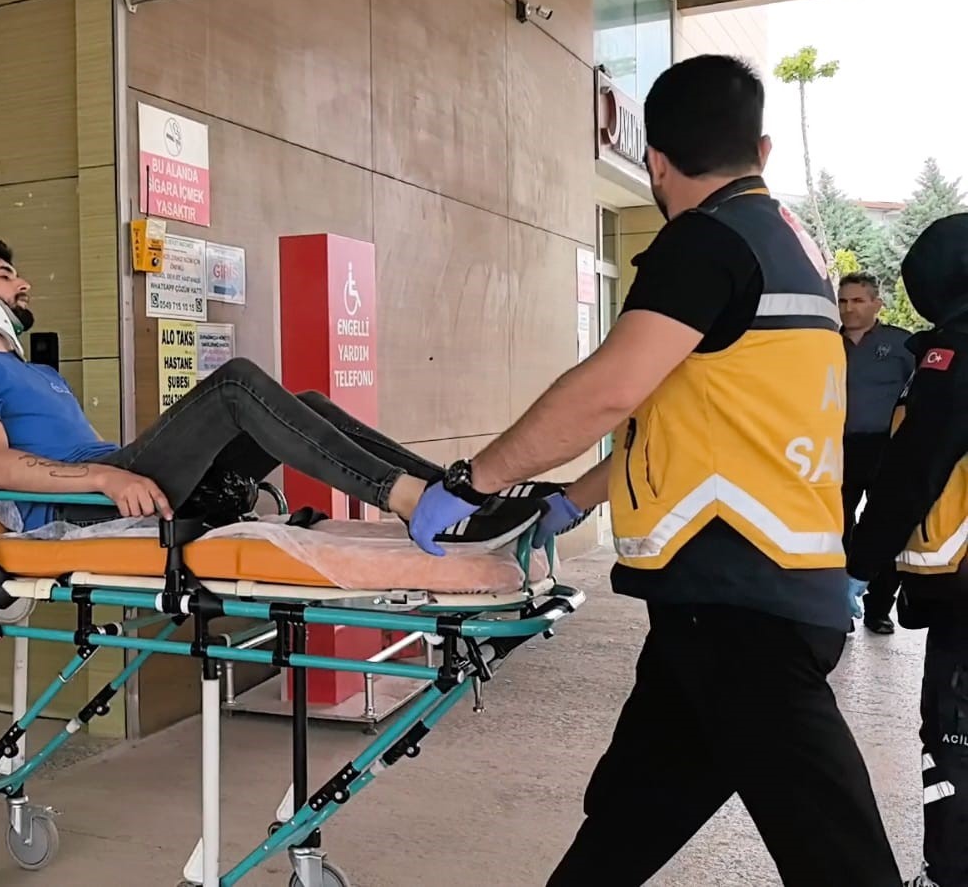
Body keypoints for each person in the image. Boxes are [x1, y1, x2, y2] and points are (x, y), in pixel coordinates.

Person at [407, 54, 900, 885]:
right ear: (762, 149)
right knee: (630, 817)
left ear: (656, 163)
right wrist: (571, 500)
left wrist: (470, 481)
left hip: (743, 606)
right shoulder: (791, 245)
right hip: (729, 600)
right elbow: (683, 413)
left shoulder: (705, 240)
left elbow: (610, 389)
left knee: (837, 856)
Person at [0, 240, 546, 549]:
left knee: (309, 402)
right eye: (6, 275)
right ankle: (410, 501)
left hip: (118, 475)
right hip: (81, 506)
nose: (24, 284)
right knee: (235, 384)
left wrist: (113, 473)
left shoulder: (37, 373)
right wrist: (106, 479)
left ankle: (460, 496)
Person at [847, 213, 968, 887]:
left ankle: (950, 873)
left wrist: (859, 566)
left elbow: (914, 468)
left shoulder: (954, 355)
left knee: (956, 733)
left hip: (964, 593)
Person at [839, 271, 915, 633]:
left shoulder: (901, 344)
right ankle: (837, 606)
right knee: (835, 526)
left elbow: (921, 393)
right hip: (835, 447)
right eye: (843, 301)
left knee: (884, 526)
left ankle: (878, 608)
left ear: (877, 304)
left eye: (858, 300)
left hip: (885, 448)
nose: (849, 308)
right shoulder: (823, 342)